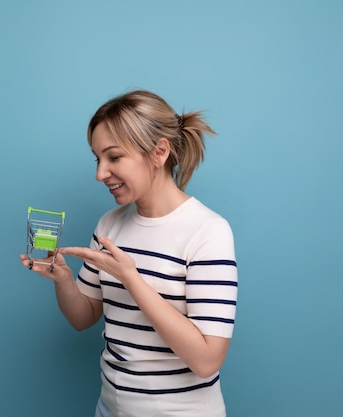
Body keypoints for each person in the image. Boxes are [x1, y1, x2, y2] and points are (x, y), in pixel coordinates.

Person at [19, 89, 238, 417]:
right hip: (110, 409)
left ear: (159, 152)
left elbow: (206, 361)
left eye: (114, 157)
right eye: (97, 158)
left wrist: (130, 279)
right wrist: (62, 278)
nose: (100, 173)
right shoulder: (109, 224)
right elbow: (83, 318)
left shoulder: (208, 232)